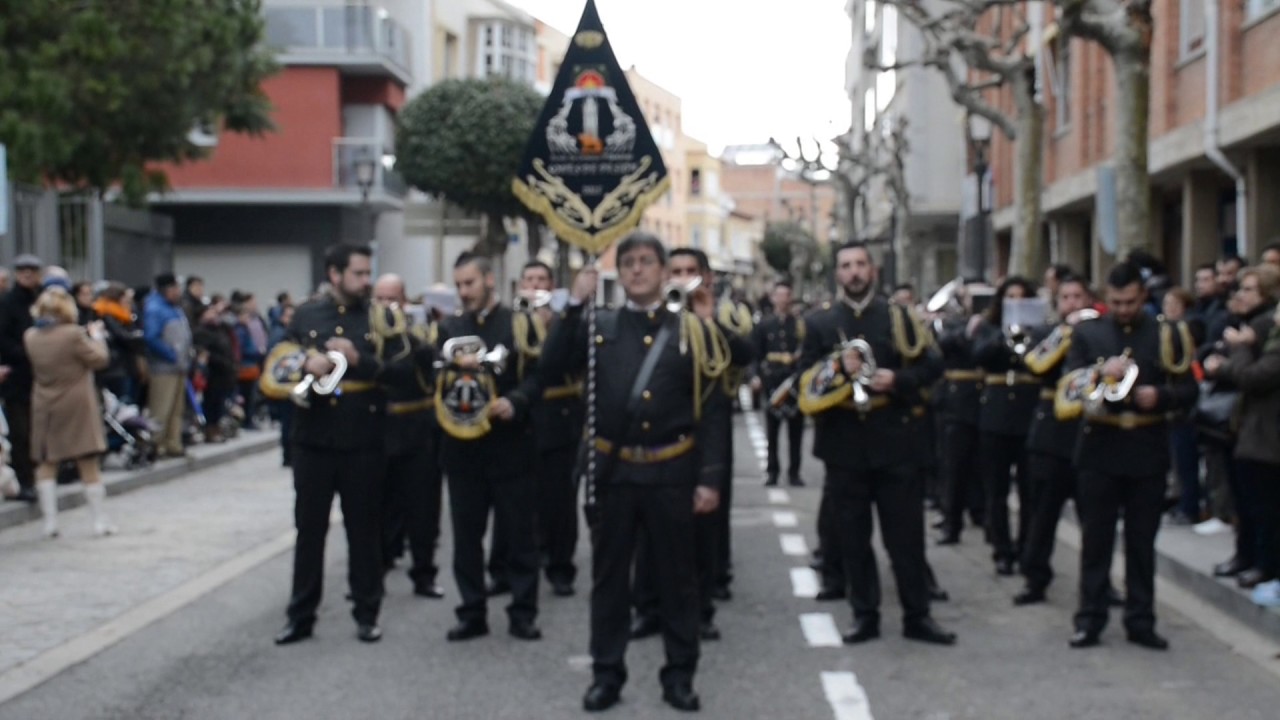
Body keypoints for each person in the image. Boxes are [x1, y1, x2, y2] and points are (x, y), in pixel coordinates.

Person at [540, 232, 728, 712]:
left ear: (664, 271)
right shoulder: (597, 326)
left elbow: (712, 407)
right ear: (619, 273)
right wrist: (573, 305)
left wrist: (709, 477)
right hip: (615, 473)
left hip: (671, 472)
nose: (638, 270)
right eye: (628, 263)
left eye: (647, 262)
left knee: (678, 581)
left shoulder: (691, 330)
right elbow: (550, 368)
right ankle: (607, 674)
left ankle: (679, 675)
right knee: (609, 582)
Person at [797, 240, 954, 647]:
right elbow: (805, 381)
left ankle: (917, 616)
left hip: (896, 440)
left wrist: (898, 380)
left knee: (906, 537)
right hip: (844, 443)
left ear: (873, 270)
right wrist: (836, 368)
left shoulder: (900, 317)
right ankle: (864, 614)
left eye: (860, 264)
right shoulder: (819, 323)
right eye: (845, 266)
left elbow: (933, 364)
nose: (853, 272)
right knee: (853, 536)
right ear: (837, 274)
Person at [1062, 262, 1197, 651]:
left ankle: (1141, 620)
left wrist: (1162, 396)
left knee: (1142, 543)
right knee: (1095, 542)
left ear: (1144, 297)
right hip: (1100, 448)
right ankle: (1089, 618)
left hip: (1146, 448)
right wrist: (1101, 373)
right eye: (1117, 302)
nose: (1124, 309)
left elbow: (1189, 391)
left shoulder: (1166, 333)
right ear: (1106, 298)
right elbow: (1071, 385)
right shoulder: (1088, 333)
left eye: (1131, 301)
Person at [273, 244, 387, 646]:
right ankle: (301, 616)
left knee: (364, 532)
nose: (366, 280)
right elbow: (280, 359)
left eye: (367, 272)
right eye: (358, 273)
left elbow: (396, 374)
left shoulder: (378, 317)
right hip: (314, 438)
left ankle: (367, 612)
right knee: (309, 531)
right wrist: (305, 362)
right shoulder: (306, 314)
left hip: (362, 439)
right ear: (335, 274)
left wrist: (359, 360)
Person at [435, 252, 543, 643]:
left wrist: (516, 401)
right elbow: (436, 377)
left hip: (510, 445)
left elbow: (537, 376)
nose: (464, 292)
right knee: (466, 537)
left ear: (489, 280)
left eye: (470, 283)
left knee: (519, 535)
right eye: (459, 285)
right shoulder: (449, 327)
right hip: (462, 450)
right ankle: (471, 612)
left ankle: (523, 612)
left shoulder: (517, 324)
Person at [1014, 274, 1092, 604]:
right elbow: (1036, 366)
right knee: (1042, 514)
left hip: (1088, 437)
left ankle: (1098, 583)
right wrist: (1066, 332)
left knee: (1094, 519)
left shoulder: (1100, 334)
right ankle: (1035, 578)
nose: (1072, 303)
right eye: (1066, 297)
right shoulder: (1049, 333)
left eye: (1078, 296)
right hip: (1050, 437)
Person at [373, 273, 444, 600]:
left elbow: (430, 368)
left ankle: (424, 574)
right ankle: (377, 570)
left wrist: (412, 332)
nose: (387, 306)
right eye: (381, 299)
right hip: (380, 428)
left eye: (393, 299)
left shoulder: (419, 333)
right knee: (378, 505)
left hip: (417, 425)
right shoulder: (369, 334)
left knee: (422, 507)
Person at [1204, 302, 1280, 606]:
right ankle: (1251, 559)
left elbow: (1253, 376)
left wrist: (1239, 349)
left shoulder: (1269, 342)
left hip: (1267, 438)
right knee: (1249, 503)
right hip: (1253, 433)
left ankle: (1266, 566)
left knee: (1265, 509)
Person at [24, 282, 112, 536]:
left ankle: (50, 522)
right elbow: (99, 359)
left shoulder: (30, 336)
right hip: (76, 402)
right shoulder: (73, 334)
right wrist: (96, 338)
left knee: (47, 461)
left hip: (44, 402)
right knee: (87, 460)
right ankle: (99, 521)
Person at [522, 260, 584, 598]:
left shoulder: (568, 322)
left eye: (542, 280)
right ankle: (519, 563)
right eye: (529, 280)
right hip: (525, 416)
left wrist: (556, 326)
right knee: (521, 501)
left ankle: (561, 566)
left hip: (560, 415)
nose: (535, 286)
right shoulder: (512, 320)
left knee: (560, 499)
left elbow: (571, 362)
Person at [971, 276, 1039, 575]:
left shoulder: (1039, 329)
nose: (1015, 303)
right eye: (1010, 297)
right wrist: (1005, 335)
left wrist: (1029, 334)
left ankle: (1026, 548)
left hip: (1027, 412)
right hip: (996, 413)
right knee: (995, 489)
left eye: (1021, 298)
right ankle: (1002, 548)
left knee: (1029, 490)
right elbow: (979, 355)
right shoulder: (989, 327)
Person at [0, 253, 46, 503]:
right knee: (20, 431)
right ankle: (25, 480)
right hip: (19, 375)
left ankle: (41, 476)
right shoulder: (7, 303)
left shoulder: (42, 300)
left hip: (43, 375)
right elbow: (3, 339)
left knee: (40, 431)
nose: (27, 274)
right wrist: (28, 352)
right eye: (22, 271)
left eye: (32, 270)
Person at [750, 281, 806, 487]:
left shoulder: (800, 324)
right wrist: (755, 377)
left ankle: (794, 472)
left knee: (796, 431)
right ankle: (772, 471)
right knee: (772, 431)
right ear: (773, 298)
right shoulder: (764, 325)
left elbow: (806, 354)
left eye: (786, 295)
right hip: (773, 381)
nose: (783, 299)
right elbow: (755, 354)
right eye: (779, 295)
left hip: (793, 381)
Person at [143, 273, 192, 458]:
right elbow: (151, 337)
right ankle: (156, 444)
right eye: (176, 288)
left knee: (176, 408)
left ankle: (173, 442)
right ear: (168, 289)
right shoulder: (155, 309)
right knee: (161, 408)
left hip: (179, 367)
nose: (179, 292)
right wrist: (171, 355)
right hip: (164, 367)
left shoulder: (174, 308)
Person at [91, 283, 145, 404]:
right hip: (117, 368)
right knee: (123, 403)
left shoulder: (124, 315)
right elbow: (122, 337)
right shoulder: (108, 314)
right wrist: (138, 336)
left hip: (124, 366)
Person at [192, 300, 237, 443]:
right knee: (211, 403)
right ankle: (210, 430)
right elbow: (204, 353)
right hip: (212, 373)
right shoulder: (201, 332)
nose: (214, 314)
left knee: (220, 403)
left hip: (225, 372)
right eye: (209, 312)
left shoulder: (220, 329)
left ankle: (217, 427)